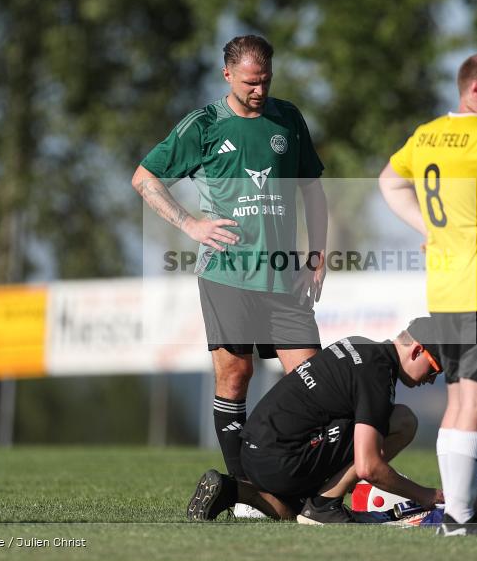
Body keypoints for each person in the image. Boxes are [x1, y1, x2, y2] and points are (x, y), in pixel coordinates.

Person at [131, 35, 327, 483]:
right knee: (235, 377)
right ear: (227, 75)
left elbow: (312, 189)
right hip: (226, 275)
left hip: (284, 276)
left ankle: (309, 484)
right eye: (250, 83)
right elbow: (144, 178)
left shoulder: (289, 119)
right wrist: (190, 224)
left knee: (316, 382)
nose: (260, 90)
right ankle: (245, 490)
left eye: (266, 81)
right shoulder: (203, 125)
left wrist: (317, 253)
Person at [378, 52, 477, 535]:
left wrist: (424, 225)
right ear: (475, 90)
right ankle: (460, 518)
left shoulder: (426, 135)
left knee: (459, 402)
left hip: (444, 289)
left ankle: (453, 516)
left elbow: (389, 180)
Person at [185, 317, 446, 524]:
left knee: (294, 511)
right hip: (283, 460)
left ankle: (233, 490)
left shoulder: (360, 343)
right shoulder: (377, 376)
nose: (432, 379)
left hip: (255, 454)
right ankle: (326, 505)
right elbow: (369, 467)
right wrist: (424, 494)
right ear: (417, 350)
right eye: (435, 369)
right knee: (403, 421)